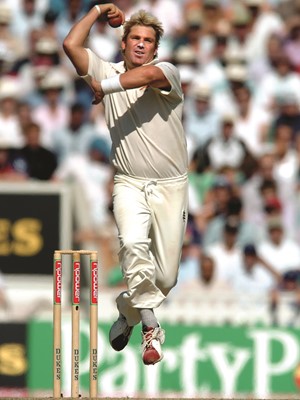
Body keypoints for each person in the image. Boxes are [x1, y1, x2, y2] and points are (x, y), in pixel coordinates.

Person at [63, 4, 188, 365]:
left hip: (171, 186)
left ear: (155, 49)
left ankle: (128, 310)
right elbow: (71, 44)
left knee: (164, 278)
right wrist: (98, 9)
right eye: (135, 38)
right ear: (123, 43)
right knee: (132, 244)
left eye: (148, 41)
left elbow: (144, 78)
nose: (140, 44)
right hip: (129, 182)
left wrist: (101, 87)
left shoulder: (166, 72)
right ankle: (150, 326)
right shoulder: (108, 70)